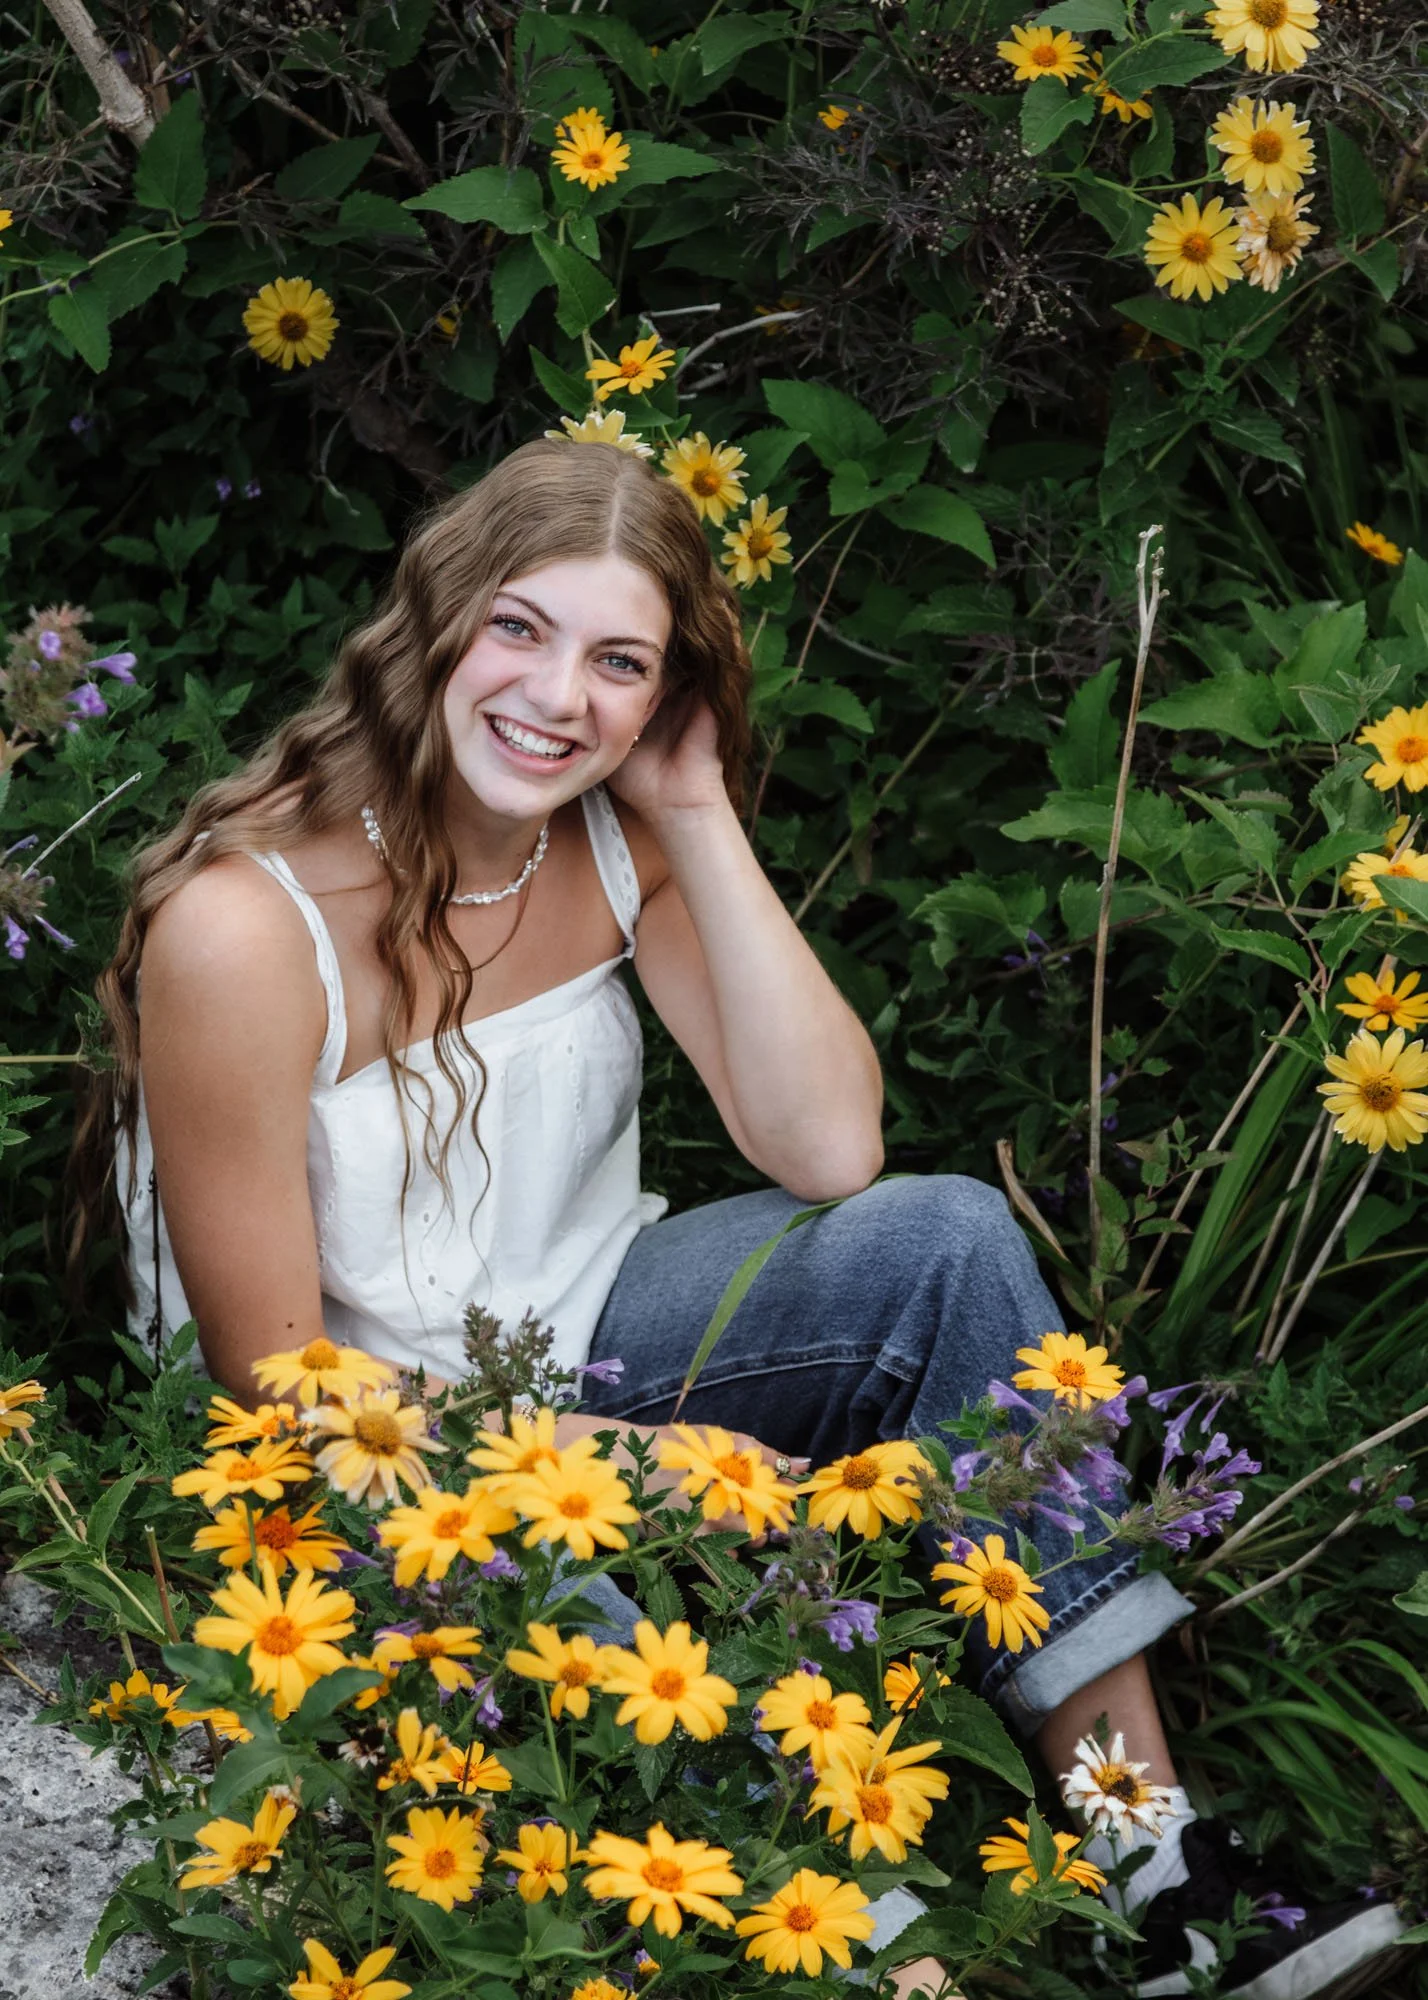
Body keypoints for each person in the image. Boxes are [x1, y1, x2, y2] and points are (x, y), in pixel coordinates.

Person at [75, 436, 1402, 2000]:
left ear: (664, 695)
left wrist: (694, 811)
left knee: (946, 1239)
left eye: (619, 662)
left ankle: (1161, 1880)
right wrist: (633, 1466)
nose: (560, 697)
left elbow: (833, 1144)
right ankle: (899, 1953)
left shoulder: (614, 835)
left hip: (590, 1332)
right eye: (520, 628)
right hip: (362, 1446)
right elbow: (277, 1388)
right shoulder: (243, 929)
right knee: (597, 1614)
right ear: (434, 621)